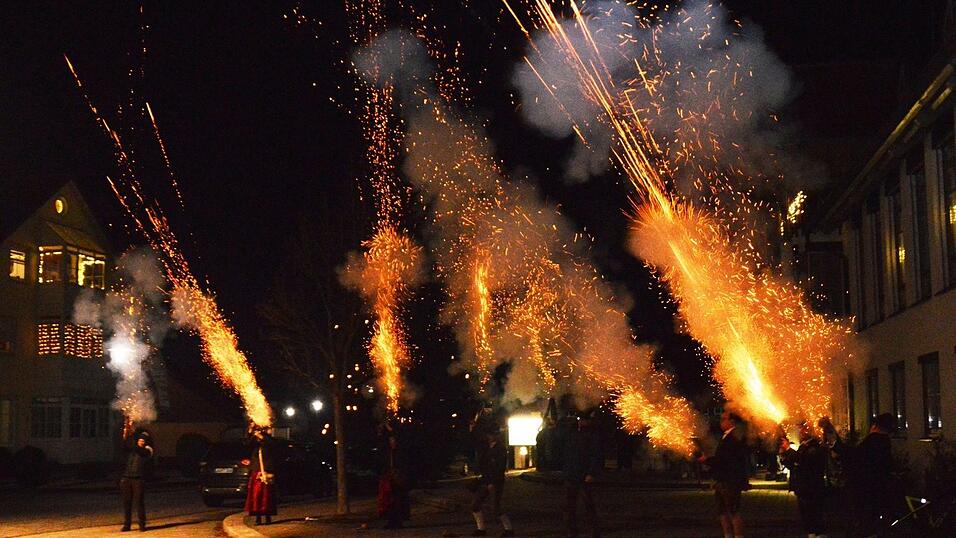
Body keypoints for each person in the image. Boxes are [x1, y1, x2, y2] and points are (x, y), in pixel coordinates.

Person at [822, 413, 894, 537]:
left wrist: (835, 444)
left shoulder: (874, 440)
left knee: (864, 524)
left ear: (875, 426)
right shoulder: (885, 443)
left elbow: (854, 456)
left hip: (865, 491)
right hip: (877, 491)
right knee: (871, 523)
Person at [702, 411, 750, 538]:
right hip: (723, 479)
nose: (721, 421)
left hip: (730, 480)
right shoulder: (728, 436)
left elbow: (726, 459)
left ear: (732, 422)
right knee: (722, 511)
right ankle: (728, 535)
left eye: (724, 419)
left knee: (733, 511)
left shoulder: (734, 437)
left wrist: (707, 460)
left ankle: (738, 535)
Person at [780, 421, 829, 538]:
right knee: (806, 516)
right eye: (800, 428)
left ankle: (817, 533)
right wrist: (784, 454)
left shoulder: (815, 446)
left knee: (814, 515)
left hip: (811, 487)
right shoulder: (805, 445)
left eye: (803, 429)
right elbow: (794, 464)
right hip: (803, 487)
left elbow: (803, 461)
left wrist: (788, 450)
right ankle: (812, 533)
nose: (801, 431)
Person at [562, 409, 603, 538]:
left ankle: (594, 532)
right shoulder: (572, 433)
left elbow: (596, 456)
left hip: (584, 475)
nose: (580, 422)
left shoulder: (593, 435)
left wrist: (591, 473)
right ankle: (572, 532)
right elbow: (567, 454)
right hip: (572, 474)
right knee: (570, 507)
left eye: (582, 420)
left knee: (588, 506)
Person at [470, 427, 514, 537]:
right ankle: (481, 528)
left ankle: (509, 529)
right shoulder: (486, 447)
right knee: (475, 504)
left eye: (492, 435)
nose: (489, 437)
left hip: (495, 481)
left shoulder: (500, 449)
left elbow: (499, 468)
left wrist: (493, 483)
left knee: (496, 507)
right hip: (485, 480)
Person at [120, 429, 153, 532]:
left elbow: (139, 450)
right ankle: (127, 524)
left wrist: (131, 434)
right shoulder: (133, 449)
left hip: (139, 479)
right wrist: (125, 435)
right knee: (127, 502)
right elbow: (125, 447)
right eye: (140, 440)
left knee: (139, 502)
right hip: (127, 478)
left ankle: (142, 524)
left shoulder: (147, 450)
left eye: (143, 440)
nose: (141, 441)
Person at [378, 426, 410, 530]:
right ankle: (391, 521)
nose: (392, 443)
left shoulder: (400, 452)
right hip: (390, 478)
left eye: (394, 441)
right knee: (389, 501)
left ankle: (398, 522)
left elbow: (402, 465)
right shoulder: (388, 453)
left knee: (398, 501)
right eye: (391, 441)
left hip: (398, 479)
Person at [245, 426, 277, 525]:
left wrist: (262, 437)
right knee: (256, 495)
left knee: (267, 496)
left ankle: (268, 517)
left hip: (266, 471)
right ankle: (258, 518)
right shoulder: (254, 441)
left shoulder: (269, 440)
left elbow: (273, 445)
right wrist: (250, 433)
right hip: (256, 470)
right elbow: (247, 445)